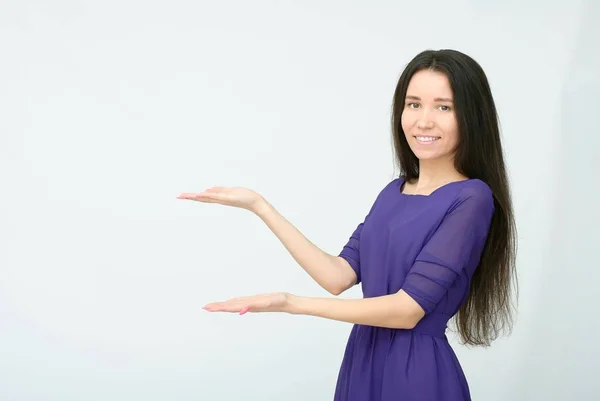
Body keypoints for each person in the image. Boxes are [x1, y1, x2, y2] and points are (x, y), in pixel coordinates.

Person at [177, 48, 517, 401]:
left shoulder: (471, 198)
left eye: (443, 107)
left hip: (414, 373)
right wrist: (260, 206)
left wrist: (291, 303)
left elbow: (406, 311)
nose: (423, 121)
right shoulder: (393, 191)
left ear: (471, 116)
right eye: (413, 104)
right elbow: (337, 276)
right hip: (362, 363)